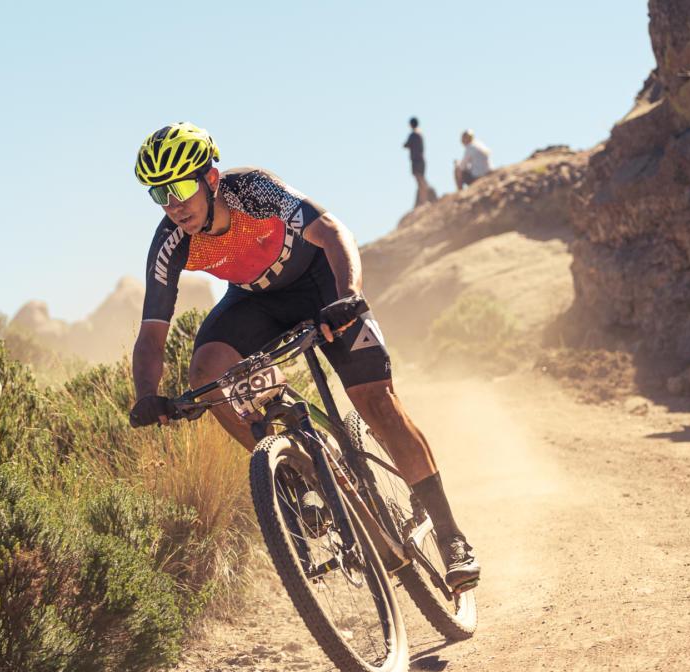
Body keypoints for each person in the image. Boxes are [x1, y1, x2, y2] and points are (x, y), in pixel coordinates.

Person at [127, 122, 480, 590]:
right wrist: (147, 396)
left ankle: (452, 537)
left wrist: (348, 296)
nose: (173, 204)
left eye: (180, 188)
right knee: (207, 374)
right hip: (256, 301)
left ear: (210, 179)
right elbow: (152, 334)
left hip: (320, 283)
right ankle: (301, 475)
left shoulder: (252, 190)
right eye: (159, 194)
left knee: (377, 405)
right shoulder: (170, 242)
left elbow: (332, 232)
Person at [404, 117, 436, 208]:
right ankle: (424, 199)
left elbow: (406, 145)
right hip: (420, 159)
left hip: (416, 160)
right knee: (421, 179)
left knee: (420, 180)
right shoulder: (420, 133)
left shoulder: (414, 134)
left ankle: (424, 200)